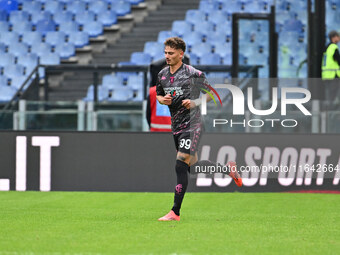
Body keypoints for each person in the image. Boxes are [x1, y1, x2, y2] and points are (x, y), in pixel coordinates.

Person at [156, 37, 242, 222]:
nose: (167, 56)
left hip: (193, 124)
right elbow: (159, 94)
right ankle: (227, 169)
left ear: (181, 54)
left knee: (180, 164)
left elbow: (213, 94)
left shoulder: (193, 74)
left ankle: (175, 212)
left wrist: (195, 102)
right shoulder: (162, 74)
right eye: (165, 53)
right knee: (192, 167)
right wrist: (162, 100)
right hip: (176, 126)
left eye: (171, 53)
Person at [322, 30, 340, 102]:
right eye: (338, 36)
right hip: (333, 75)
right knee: (333, 96)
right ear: (334, 38)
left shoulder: (327, 47)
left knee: (329, 96)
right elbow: (338, 60)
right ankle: (330, 112)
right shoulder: (333, 47)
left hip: (326, 75)